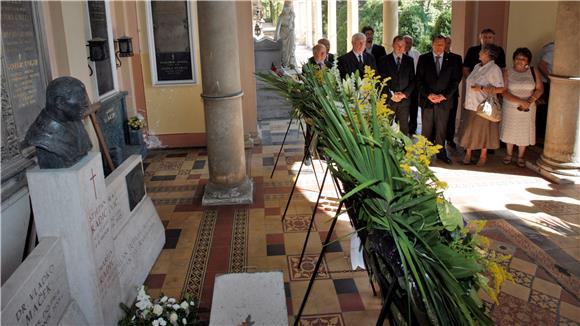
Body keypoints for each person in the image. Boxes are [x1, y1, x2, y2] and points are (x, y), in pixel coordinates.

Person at [25, 76, 93, 169]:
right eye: (80, 99)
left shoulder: (74, 119)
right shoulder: (41, 136)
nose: (86, 104)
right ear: (60, 103)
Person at [416, 35, 461, 164]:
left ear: (445, 45)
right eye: (437, 44)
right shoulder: (423, 58)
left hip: (444, 101)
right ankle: (425, 153)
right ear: (432, 44)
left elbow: (455, 81)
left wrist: (444, 96)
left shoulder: (453, 59)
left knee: (442, 129)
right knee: (427, 129)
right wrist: (428, 94)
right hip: (427, 100)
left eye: (442, 44)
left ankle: (441, 153)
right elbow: (418, 80)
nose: (439, 47)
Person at [457, 44, 505, 166]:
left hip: (483, 106)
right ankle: (468, 154)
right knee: (470, 130)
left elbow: (501, 89)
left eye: (482, 51)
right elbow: (470, 84)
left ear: (488, 54)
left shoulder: (494, 69)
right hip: (471, 105)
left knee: (484, 131)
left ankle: (483, 156)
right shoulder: (477, 66)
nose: (479, 52)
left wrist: (482, 88)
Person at [500, 48, 544, 167]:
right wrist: (520, 101)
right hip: (511, 107)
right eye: (518, 58)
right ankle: (508, 154)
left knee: (524, 131)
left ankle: (520, 156)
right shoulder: (507, 72)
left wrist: (530, 101)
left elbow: (540, 89)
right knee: (510, 130)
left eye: (523, 58)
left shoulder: (533, 71)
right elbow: (503, 91)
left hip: (529, 107)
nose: (520, 60)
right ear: (514, 59)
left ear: (527, 61)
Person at [377, 35, 416, 135]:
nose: (400, 47)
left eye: (402, 45)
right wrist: (391, 95)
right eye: (397, 45)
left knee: (403, 129)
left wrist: (404, 94)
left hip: (404, 101)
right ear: (393, 45)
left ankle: (403, 150)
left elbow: (413, 81)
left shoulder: (409, 61)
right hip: (389, 100)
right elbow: (381, 81)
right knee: (386, 127)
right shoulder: (383, 60)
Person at [444, 36, 463, 149]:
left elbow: (458, 77)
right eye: (444, 43)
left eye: (448, 43)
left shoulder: (457, 58)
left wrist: (447, 92)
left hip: (452, 94)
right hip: (437, 94)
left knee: (451, 117)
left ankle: (450, 139)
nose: (446, 45)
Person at [536, 41, 554, 143]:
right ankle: (541, 137)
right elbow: (541, 65)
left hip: (548, 82)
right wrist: (550, 78)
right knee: (544, 110)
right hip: (546, 83)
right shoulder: (555, 49)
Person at [403, 35, 421, 135]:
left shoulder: (417, 54)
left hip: (414, 86)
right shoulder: (399, 53)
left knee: (413, 108)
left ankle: (412, 128)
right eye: (405, 42)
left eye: (409, 42)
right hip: (402, 86)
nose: (407, 44)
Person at [275, 1, 296, 67]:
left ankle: (291, 62)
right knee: (284, 50)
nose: (288, 9)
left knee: (292, 48)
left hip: (291, 33)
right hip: (284, 33)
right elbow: (278, 27)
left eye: (289, 7)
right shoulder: (281, 17)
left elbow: (293, 24)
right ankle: (285, 63)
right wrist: (276, 36)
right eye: (286, 7)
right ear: (284, 8)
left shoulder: (292, 15)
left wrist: (292, 29)